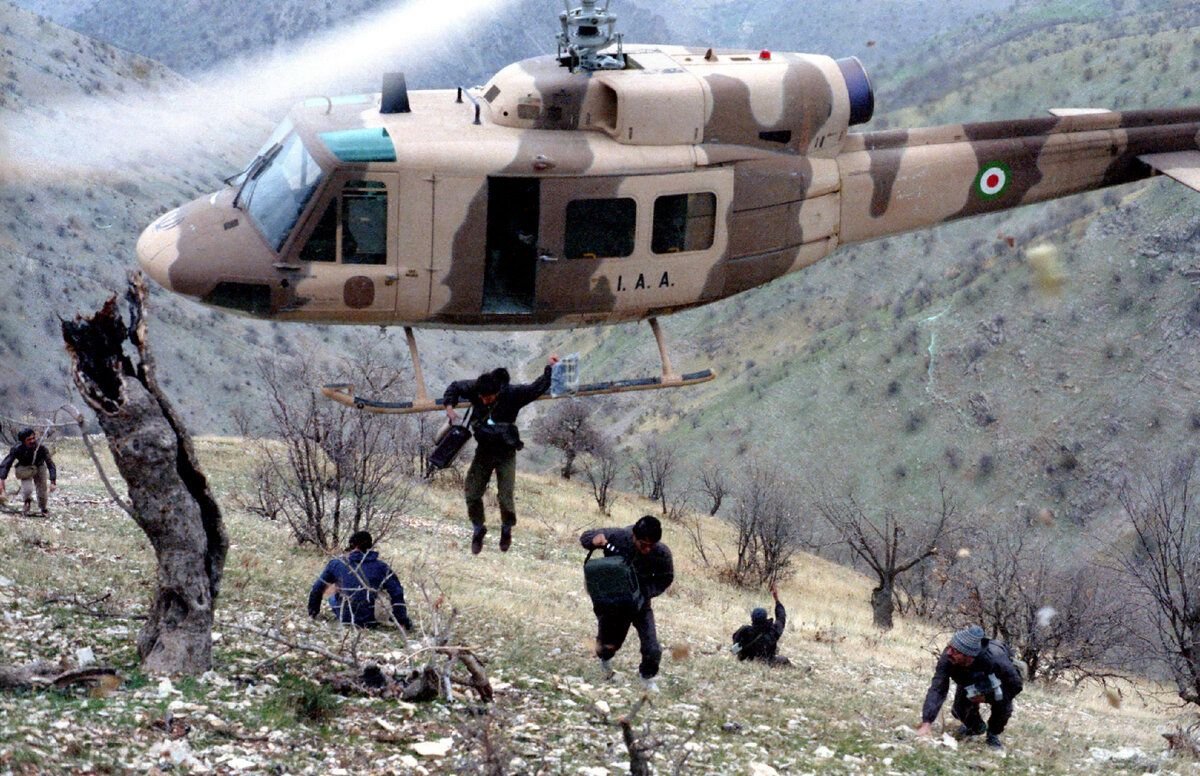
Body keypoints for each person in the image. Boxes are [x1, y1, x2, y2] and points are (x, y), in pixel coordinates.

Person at [442, 356, 558, 554]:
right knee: (472, 492)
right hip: (484, 450)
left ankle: (506, 529)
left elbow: (536, 387)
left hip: (506, 451)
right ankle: (478, 529)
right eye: (482, 398)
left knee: (505, 496)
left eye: (489, 398)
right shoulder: (475, 388)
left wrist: (550, 368)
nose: (485, 401)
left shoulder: (513, 394)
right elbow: (453, 387)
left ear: (498, 392)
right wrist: (450, 409)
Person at [579, 515, 674, 692]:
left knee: (652, 648)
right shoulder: (617, 536)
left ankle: (647, 677)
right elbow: (585, 536)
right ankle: (605, 664)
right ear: (634, 537)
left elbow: (666, 578)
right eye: (642, 544)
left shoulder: (661, 553)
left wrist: (645, 591)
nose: (647, 549)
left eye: (650, 546)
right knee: (608, 645)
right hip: (613, 603)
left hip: (640, 605)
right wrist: (594, 540)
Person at [916, 625, 1024, 751]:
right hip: (969, 682)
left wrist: (987, 697)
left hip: (998, 684)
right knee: (959, 710)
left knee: (1002, 705)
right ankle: (976, 728)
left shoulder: (997, 659)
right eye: (950, 647)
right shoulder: (948, 657)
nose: (949, 652)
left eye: (955, 651)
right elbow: (938, 688)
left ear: (969, 656)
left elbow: (1015, 686)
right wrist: (927, 722)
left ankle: (993, 734)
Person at [307, 530, 413, 630]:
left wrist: (312, 612)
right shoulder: (382, 567)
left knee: (332, 593)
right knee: (383, 592)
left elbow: (318, 587)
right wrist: (401, 619)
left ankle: (337, 610)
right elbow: (397, 593)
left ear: (351, 545)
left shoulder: (336, 563)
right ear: (370, 546)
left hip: (345, 616)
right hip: (370, 619)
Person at [0, 428, 57, 516]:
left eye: (33, 438)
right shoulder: (17, 449)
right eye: (29, 440)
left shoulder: (41, 448)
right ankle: (27, 502)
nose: (32, 441)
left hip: (39, 466)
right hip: (25, 468)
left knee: (42, 490)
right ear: (23, 441)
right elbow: (6, 464)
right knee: (27, 489)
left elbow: (50, 464)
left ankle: (43, 508)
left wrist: (53, 481)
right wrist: (2, 479)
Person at [731, 582, 790, 666]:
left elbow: (735, 640)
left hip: (747, 659)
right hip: (766, 661)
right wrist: (777, 600)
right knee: (784, 660)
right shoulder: (773, 631)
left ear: (752, 618)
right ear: (765, 618)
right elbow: (781, 618)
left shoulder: (744, 630)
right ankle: (798, 670)